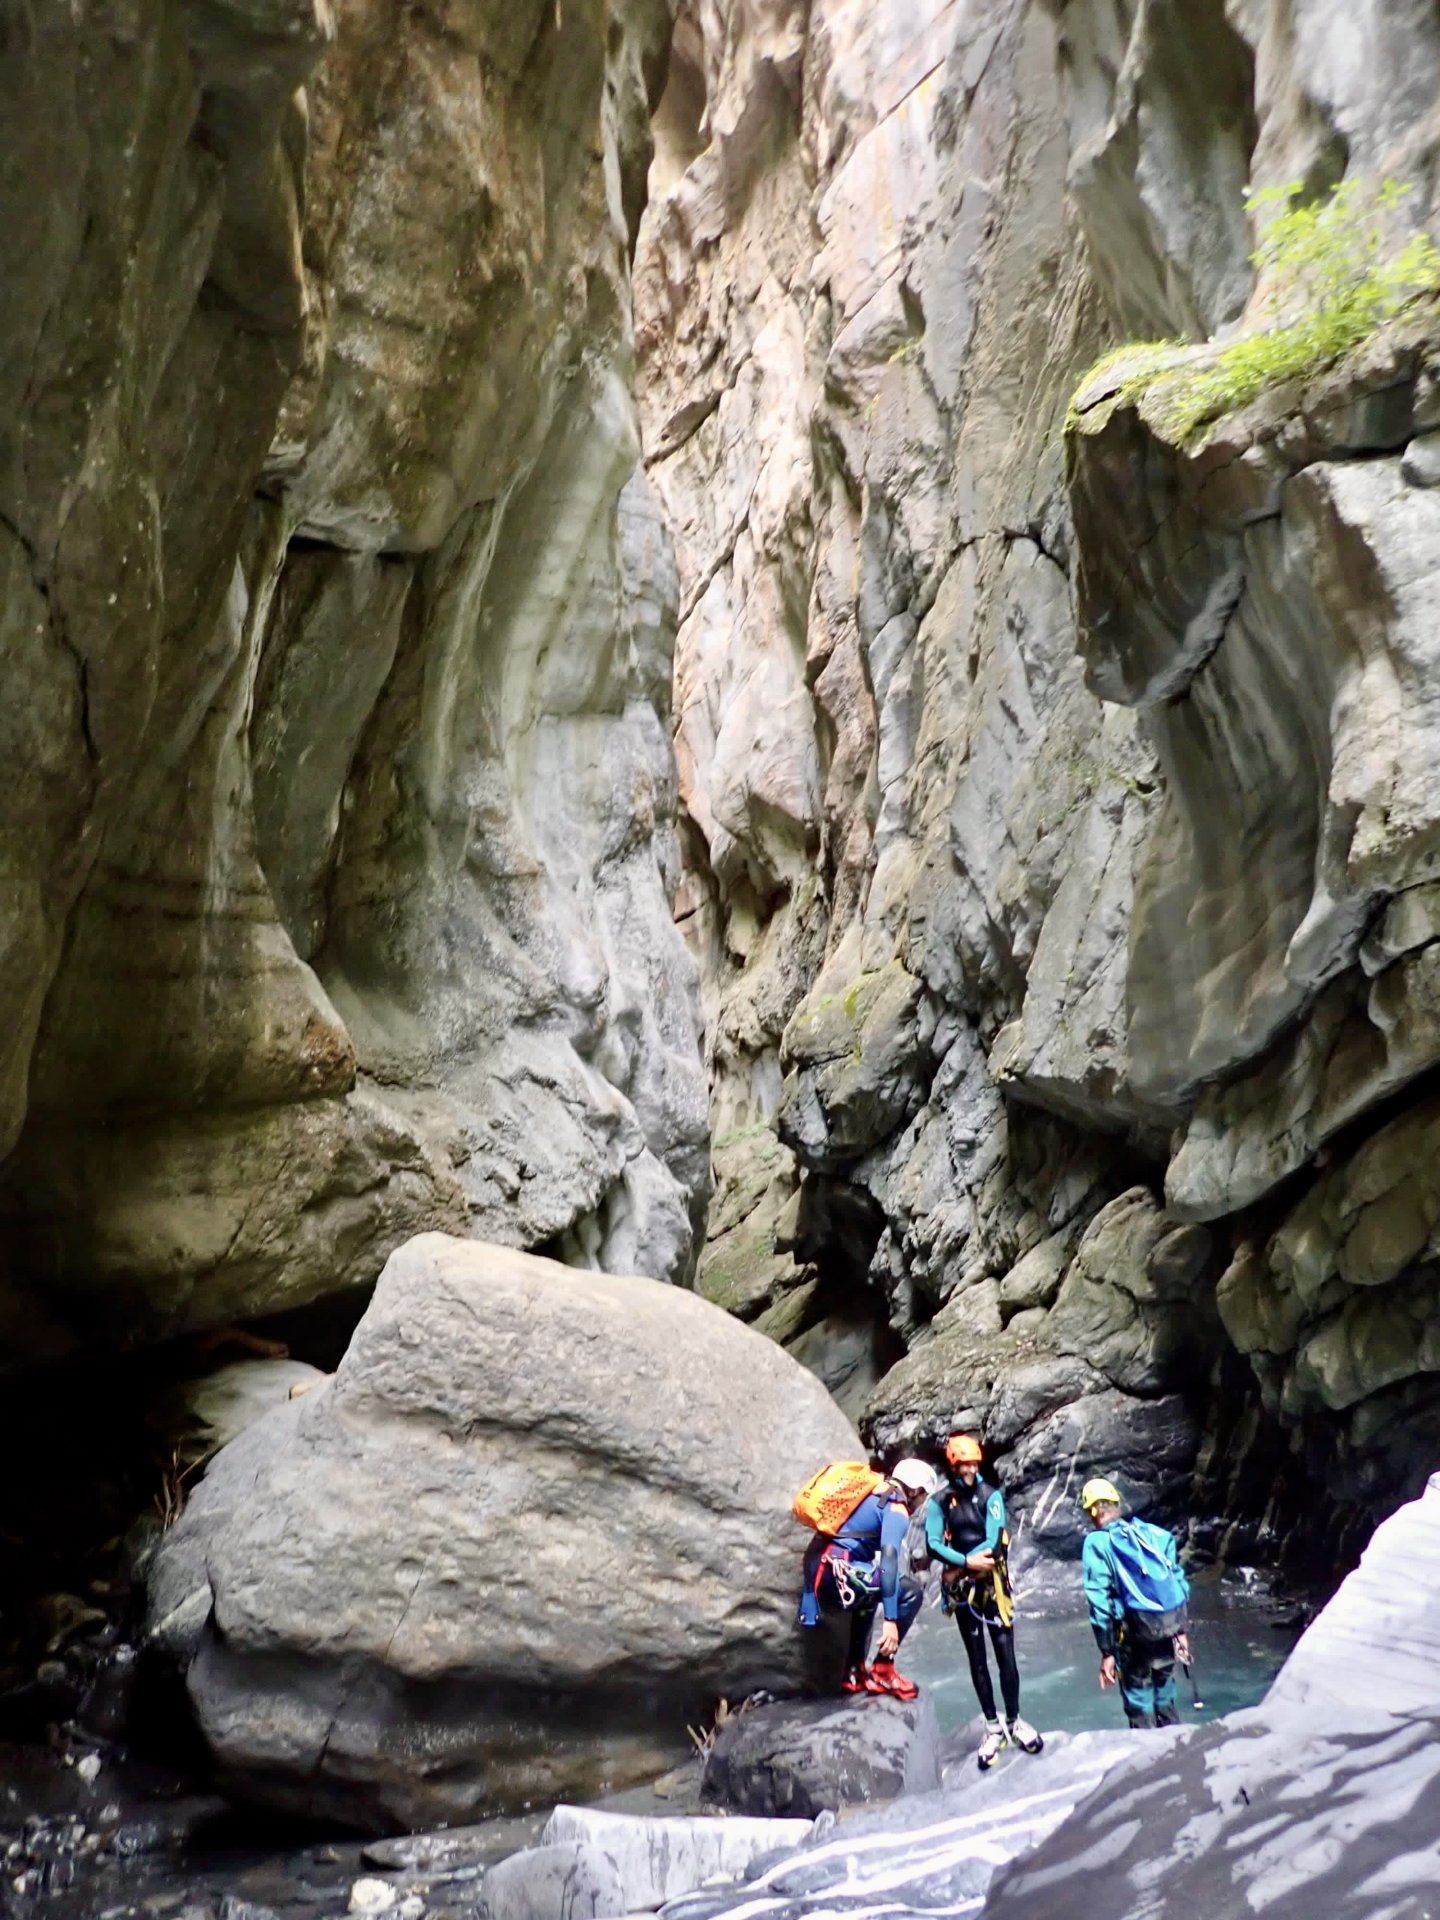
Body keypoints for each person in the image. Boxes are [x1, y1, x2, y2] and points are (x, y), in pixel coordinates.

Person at [927, 1433, 1044, 1770]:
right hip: (964, 1587)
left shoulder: (990, 1496)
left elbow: (994, 1541)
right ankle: (993, 1727)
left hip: (992, 1584)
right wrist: (965, 1566)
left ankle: (1015, 1719)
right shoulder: (940, 1502)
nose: (970, 1469)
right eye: (964, 1464)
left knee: (1006, 1655)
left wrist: (965, 1565)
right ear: (953, 1465)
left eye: (974, 1464)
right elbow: (933, 1543)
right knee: (977, 1659)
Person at [797, 1458, 937, 1698]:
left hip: (823, 1569)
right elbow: (889, 1563)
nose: (923, 1502)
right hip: (838, 1577)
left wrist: (810, 1592)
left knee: (869, 1595)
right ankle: (883, 1668)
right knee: (911, 1591)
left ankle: (854, 1672)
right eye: (923, 1495)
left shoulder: (872, 1492)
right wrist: (891, 1621)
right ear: (913, 1490)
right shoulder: (895, 1509)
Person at [1079, 1477, 1192, 1729]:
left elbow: (1100, 1605)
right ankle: (1177, 1750)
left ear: (1093, 1512)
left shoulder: (1097, 1544)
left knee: (1138, 1696)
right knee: (1165, 1689)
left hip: (1133, 1635)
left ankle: (1147, 1758)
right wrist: (1181, 1630)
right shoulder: (1155, 1535)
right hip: (1167, 1628)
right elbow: (1178, 1583)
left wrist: (1107, 1652)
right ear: (1116, 1505)